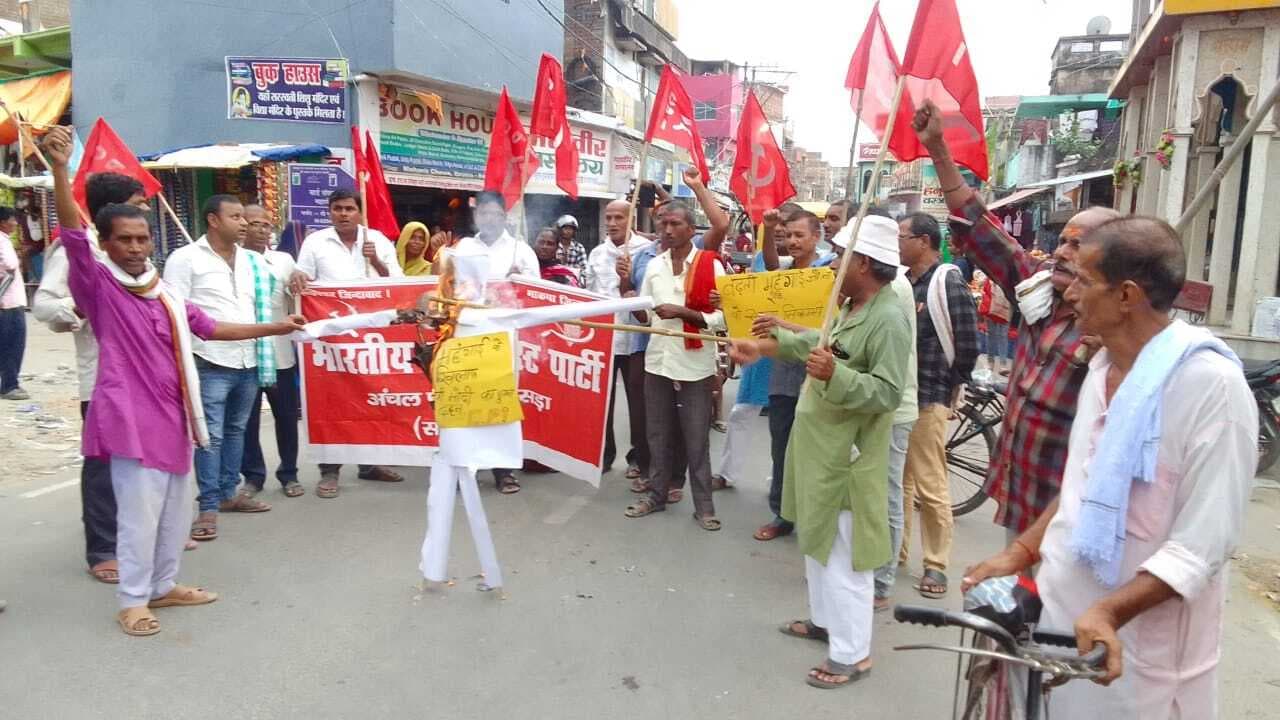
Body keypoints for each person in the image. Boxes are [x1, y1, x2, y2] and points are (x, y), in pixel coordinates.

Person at [963, 217, 1256, 717]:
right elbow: (1081, 486)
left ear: (1126, 296)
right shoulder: (1100, 370)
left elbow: (1202, 546)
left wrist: (1108, 611)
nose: (1069, 292)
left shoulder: (1211, 388)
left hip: (1140, 664)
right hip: (1060, 635)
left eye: (1082, 280)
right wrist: (1022, 550)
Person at [44, 125, 304, 637]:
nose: (137, 248)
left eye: (143, 238)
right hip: (128, 418)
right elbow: (73, 235)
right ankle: (133, 600)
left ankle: (163, 586)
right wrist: (59, 171)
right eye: (125, 239)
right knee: (139, 516)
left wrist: (278, 326)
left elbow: (211, 326)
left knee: (172, 513)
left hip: (173, 415)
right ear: (106, 243)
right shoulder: (98, 286)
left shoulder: (161, 292)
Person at [913, 99, 1122, 542]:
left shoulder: (1121, 330)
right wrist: (937, 148)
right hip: (1023, 499)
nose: (1062, 252)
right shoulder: (1038, 289)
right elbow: (979, 224)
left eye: (1078, 245)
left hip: (1075, 516)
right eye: (1062, 242)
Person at [729, 215, 912, 689]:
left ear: (865, 263)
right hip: (820, 448)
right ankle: (824, 623)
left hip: (848, 456)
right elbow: (818, 342)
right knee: (818, 542)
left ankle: (853, 654)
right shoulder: (851, 305)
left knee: (845, 556)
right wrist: (764, 347)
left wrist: (837, 376)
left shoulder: (889, 318)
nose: (831, 265)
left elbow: (887, 393)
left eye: (840, 257)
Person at [33, 172, 151, 583]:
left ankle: (143, 535)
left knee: (142, 459)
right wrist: (82, 307)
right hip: (102, 378)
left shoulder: (139, 254)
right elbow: (44, 306)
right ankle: (103, 548)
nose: (145, 211)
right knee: (103, 465)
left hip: (146, 377)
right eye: (138, 202)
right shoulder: (75, 253)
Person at [623, 166, 729, 530]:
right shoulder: (652, 266)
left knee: (696, 438)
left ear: (692, 230)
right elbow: (645, 318)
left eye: (675, 225)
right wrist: (628, 296)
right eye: (663, 225)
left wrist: (686, 312)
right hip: (658, 361)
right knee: (658, 433)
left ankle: (704, 507)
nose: (667, 230)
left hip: (695, 364)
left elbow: (724, 318)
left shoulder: (711, 265)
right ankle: (655, 495)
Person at [164, 195, 276, 542]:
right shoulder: (185, 259)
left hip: (248, 358)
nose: (244, 223)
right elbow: (174, 311)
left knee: (236, 430)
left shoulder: (252, 261)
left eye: (245, 217)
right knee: (208, 436)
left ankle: (229, 493)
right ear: (213, 220)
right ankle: (208, 506)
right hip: (210, 359)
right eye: (236, 217)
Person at [290, 189, 405, 498]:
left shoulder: (378, 240)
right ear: (330, 212)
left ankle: (370, 464)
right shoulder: (316, 242)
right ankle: (330, 471)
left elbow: (397, 284)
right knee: (331, 400)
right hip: (332, 339)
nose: (343, 214)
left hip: (371, 338)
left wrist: (376, 261)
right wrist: (298, 278)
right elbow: (304, 276)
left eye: (349, 208)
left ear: (360, 212)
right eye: (337, 209)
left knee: (372, 396)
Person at [896, 211, 979, 598]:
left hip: (929, 395)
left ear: (924, 241)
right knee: (899, 480)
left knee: (929, 484)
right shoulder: (901, 283)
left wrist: (949, 390)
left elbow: (967, 347)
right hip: (898, 396)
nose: (897, 244)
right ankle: (896, 551)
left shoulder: (947, 282)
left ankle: (936, 565)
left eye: (903, 237)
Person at [450, 191, 539, 493]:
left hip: (505, 340)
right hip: (468, 337)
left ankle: (504, 471)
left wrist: (521, 280)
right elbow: (447, 288)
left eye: (495, 213)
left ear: (505, 216)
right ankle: (468, 468)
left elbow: (537, 296)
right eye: (483, 213)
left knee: (502, 404)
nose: (489, 219)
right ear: (476, 217)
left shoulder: (520, 251)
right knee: (469, 404)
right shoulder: (462, 248)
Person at [751, 209, 828, 542]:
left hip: (818, 378)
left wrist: (782, 325)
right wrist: (768, 230)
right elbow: (770, 262)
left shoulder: (830, 272)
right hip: (783, 378)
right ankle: (782, 514)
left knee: (817, 452)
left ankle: (816, 516)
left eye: (800, 235)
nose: (793, 241)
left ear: (816, 236)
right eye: (789, 235)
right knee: (781, 448)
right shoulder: (782, 272)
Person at [239, 204, 304, 499]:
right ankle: (252, 476)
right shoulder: (234, 261)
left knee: (287, 418)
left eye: (266, 224)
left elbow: (298, 296)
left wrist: (299, 281)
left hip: (279, 354)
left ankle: (289, 474)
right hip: (246, 354)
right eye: (254, 223)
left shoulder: (284, 260)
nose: (262, 229)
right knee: (247, 421)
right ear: (242, 225)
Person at [586, 199, 652, 474]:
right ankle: (604, 454)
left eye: (618, 218)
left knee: (639, 402)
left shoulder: (647, 251)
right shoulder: (597, 253)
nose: (612, 223)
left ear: (631, 220)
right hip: (605, 338)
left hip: (636, 338)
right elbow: (589, 293)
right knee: (602, 401)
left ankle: (638, 456)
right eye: (609, 218)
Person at [0, 206, 27, 400]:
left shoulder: (5, 241)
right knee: (12, 344)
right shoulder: (2, 242)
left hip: (11, 300)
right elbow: (9, 266)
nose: (16, 223)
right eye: (13, 220)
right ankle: (10, 385)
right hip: (8, 301)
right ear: (3, 222)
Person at [553, 214, 586, 281]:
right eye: (566, 228)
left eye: (571, 229)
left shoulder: (579, 247)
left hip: (573, 282)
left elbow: (584, 269)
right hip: (554, 280)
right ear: (559, 230)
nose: (568, 231)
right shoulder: (553, 245)